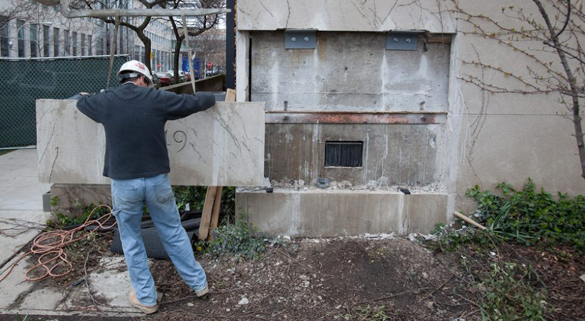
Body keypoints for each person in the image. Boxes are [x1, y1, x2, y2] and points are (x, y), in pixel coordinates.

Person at [76, 60, 215, 314]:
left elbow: (82, 103)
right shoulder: (156, 98)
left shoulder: (105, 101)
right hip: (156, 181)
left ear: (124, 78)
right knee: (173, 232)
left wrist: (85, 96)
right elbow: (192, 103)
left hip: (124, 183)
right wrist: (211, 98)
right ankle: (199, 284)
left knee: (131, 240)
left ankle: (147, 299)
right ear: (142, 78)